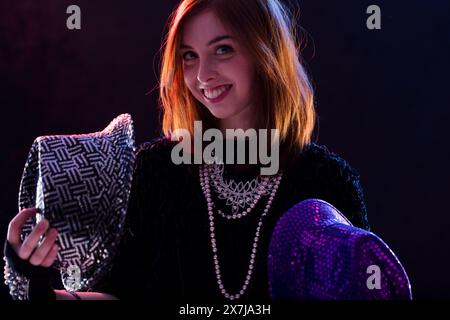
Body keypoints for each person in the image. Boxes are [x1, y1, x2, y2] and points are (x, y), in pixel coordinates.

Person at [4, 0, 369, 301]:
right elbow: (118, 295)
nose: (202, 75)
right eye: (189, 56)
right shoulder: (156, 171)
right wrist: (36, 284)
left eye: (222, 49)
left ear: (266, 53)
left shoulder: (327, 182)